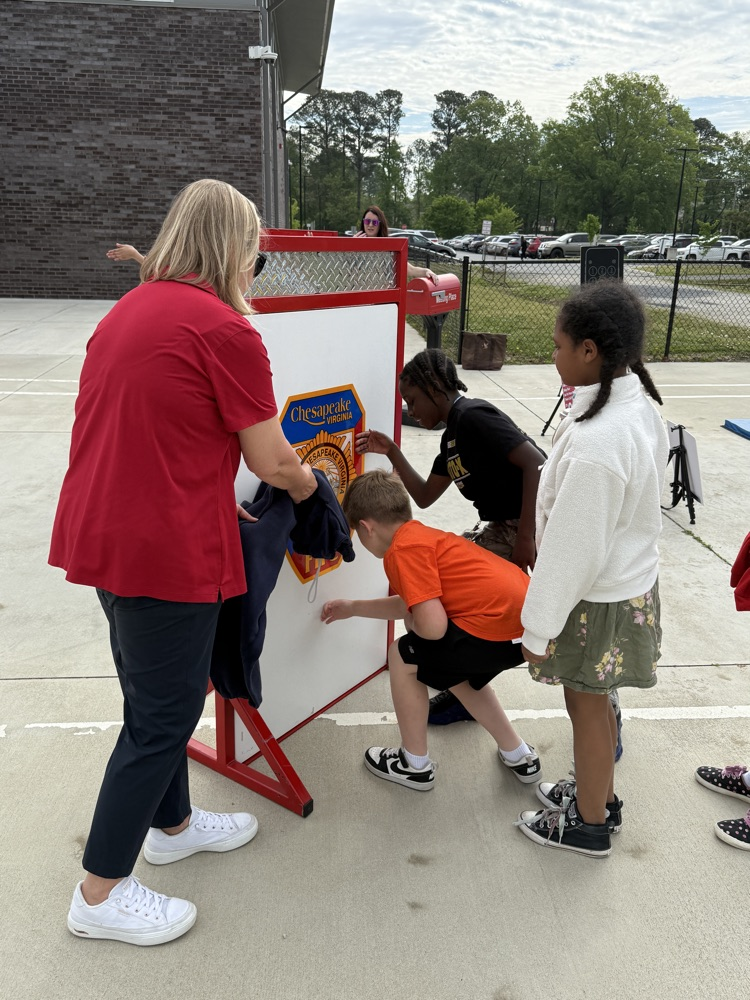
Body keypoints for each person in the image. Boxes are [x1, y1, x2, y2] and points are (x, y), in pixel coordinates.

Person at [50, 179, 317, 946]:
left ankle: (171, 824)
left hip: (107, 535)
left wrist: (205, 492)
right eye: (255, 256)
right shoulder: (225, 330)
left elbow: (154, 429)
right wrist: (311, 484)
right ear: (236, 251)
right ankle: (99, 895)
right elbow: (270, 459)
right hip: (160, 550)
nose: (254, 270)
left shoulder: (131, 310)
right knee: (163, 719)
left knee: (155, 702)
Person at [516, 279, 669, 858]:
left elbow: (574, 549)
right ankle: (598, 794)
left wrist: (537, 627)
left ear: (589, 351)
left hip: (596, 597)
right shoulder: (633, 408)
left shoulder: (603, 441)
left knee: (585, 705)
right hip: (623, 586)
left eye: (558, 345)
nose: (552, 355)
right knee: (598, 701)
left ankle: (588, 823)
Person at [356, 348, 546, 725]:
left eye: (412, 400)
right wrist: (392, 451)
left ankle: (607, 710)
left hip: (533, 525)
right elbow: (425, 497)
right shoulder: (451, 440)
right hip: (503, 529)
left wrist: (525, 537)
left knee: (566, 621)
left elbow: (535, 461)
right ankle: (468, 683)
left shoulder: (473, 416)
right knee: (449, 585)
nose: (412, 410)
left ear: (436, 388)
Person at [320, 469, 541, 792]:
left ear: (366, 528)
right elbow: (412, 603)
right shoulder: (423, 537)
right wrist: (353, 608)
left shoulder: (401, 551)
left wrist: (412, 626)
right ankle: (519, 754)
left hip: (489, 631)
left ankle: (414, 765)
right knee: (457, 672)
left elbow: (431, 626)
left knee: (403, 654)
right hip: (520, 631)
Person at [354, 205, 438, 284]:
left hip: (382, 295)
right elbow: (348, 271)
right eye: (367, 221)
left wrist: (426, 271)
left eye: (375, 222)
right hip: (360, 293)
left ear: (380, 224)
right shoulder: (354, 244)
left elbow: (410, 269)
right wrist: (350, 247)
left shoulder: (389, 248)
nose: (370, 225)